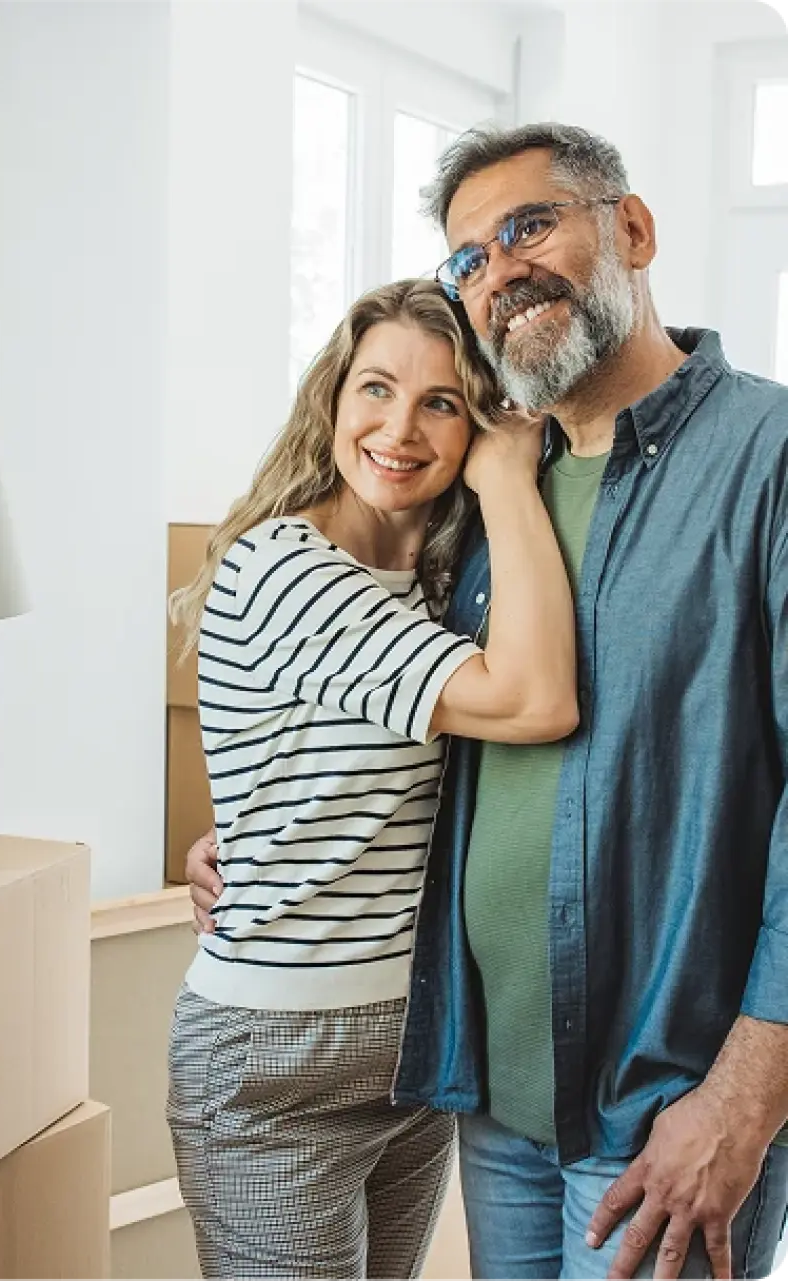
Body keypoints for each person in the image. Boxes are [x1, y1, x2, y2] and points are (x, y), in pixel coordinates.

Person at [187, 123, 788, 1281]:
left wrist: (745, 1100)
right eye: (469, 257)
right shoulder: (477, 500)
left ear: (631, 228)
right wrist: (265, 833)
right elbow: (426, 727)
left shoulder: (766, 456)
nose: (498, 270)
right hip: (484, 1100)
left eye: (529, 227)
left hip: (665, 1112)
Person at [167, 278, 578, 1281]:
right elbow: (536, 702)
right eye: (376, 389)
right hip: (278, 1058)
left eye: (440, 401)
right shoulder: (284, 567)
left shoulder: (446, 577)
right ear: (333, 399)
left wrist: (235, 837)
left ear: (475, 418)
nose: (400, 427)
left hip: (419, 1037)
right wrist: (511, 482)